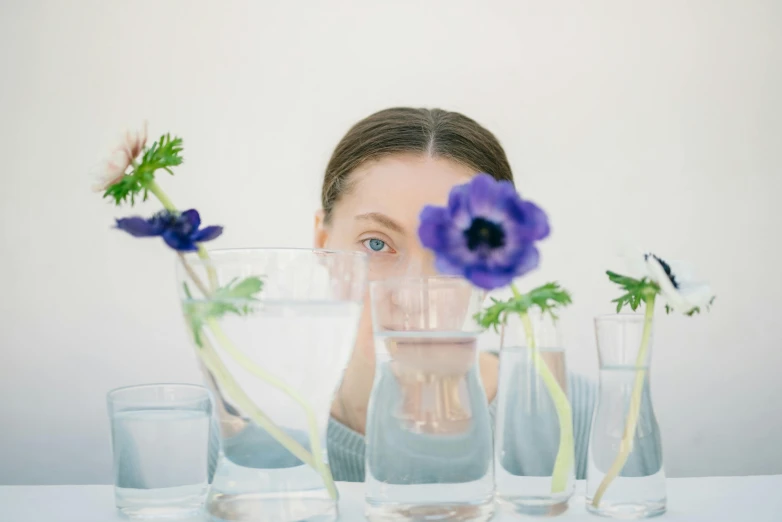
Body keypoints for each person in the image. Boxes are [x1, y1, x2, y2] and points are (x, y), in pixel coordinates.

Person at [314, 107, 617, 483]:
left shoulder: (583, 416)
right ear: (322, 242)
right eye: (376, 243)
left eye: (450, 256)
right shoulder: (249, 424)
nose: (412, 296)